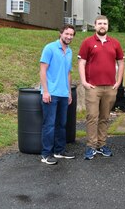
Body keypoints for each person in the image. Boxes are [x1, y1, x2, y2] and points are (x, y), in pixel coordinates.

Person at [78, 15, 125, 160]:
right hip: (93, 87)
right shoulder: (88, 42)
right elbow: (81, 63)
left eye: (104, 23)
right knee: (92, 116)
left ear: (108, 26)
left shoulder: (115, 43)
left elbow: (121, 63)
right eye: (99, 23)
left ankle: (101, 144)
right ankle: (91, 146)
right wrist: (84, 82)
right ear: (95, 25)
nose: (102, 26)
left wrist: (118, 82)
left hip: (110, 87)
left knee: (104, 117)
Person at [39, 24, 76, 165]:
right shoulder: (49, 48)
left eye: (71, 35)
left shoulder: (70, 51)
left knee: (62, 124)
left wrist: (69, 92)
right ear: (61, 33)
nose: (69, 37)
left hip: (63, 94)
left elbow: (67, 73)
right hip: (51, 93)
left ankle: (59, 151)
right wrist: (46, 91)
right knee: (49, 125)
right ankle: (46, 154)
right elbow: (42, 70)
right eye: (67, 34)